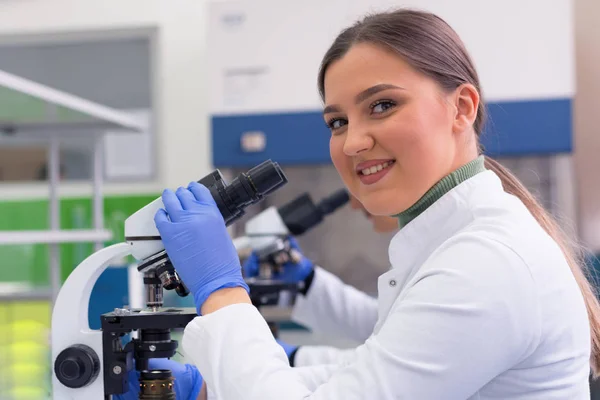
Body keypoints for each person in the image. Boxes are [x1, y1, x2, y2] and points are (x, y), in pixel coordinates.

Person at [153, 9, 600, 399]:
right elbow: (372, 371)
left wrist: (221, 290)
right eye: (337, 121)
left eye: (383, 105)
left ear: (461, 107)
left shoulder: (486, 263)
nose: (353, 142)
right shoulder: (454, 242)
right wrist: (207, 389)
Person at [242, 196, 398, 367]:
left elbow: (389, 367)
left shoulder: (428, 262)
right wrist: (308, 280)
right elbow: (379, 321)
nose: (354, 205)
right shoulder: (412, 252)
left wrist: (293, 357)